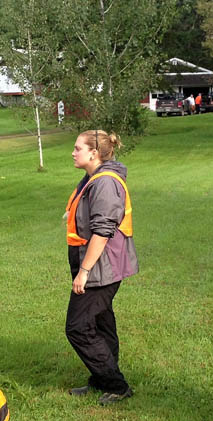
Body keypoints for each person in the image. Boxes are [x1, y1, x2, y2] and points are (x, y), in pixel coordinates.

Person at [65, 130, 139, 405]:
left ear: (94, 153)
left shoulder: (105, 182)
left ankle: (116, 385)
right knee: (100, 321)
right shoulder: (92, 178)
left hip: (101, 266)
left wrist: (84, 271)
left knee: (78, 326)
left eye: (77, 148)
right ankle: (101, 379)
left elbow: (102, 231)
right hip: (98, 263)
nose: (73, 153)